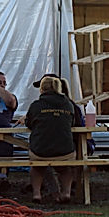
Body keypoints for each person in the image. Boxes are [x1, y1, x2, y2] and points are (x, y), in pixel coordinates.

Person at [25, 75, 79, 203]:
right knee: (65, 168)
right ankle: (66, 192)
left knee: (37, 167)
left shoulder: (36, 105)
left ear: (42, 89)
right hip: (65, 150)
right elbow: (73, 122)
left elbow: (29, 123)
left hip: (40, 151)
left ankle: (37, 194)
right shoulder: (68, 104)